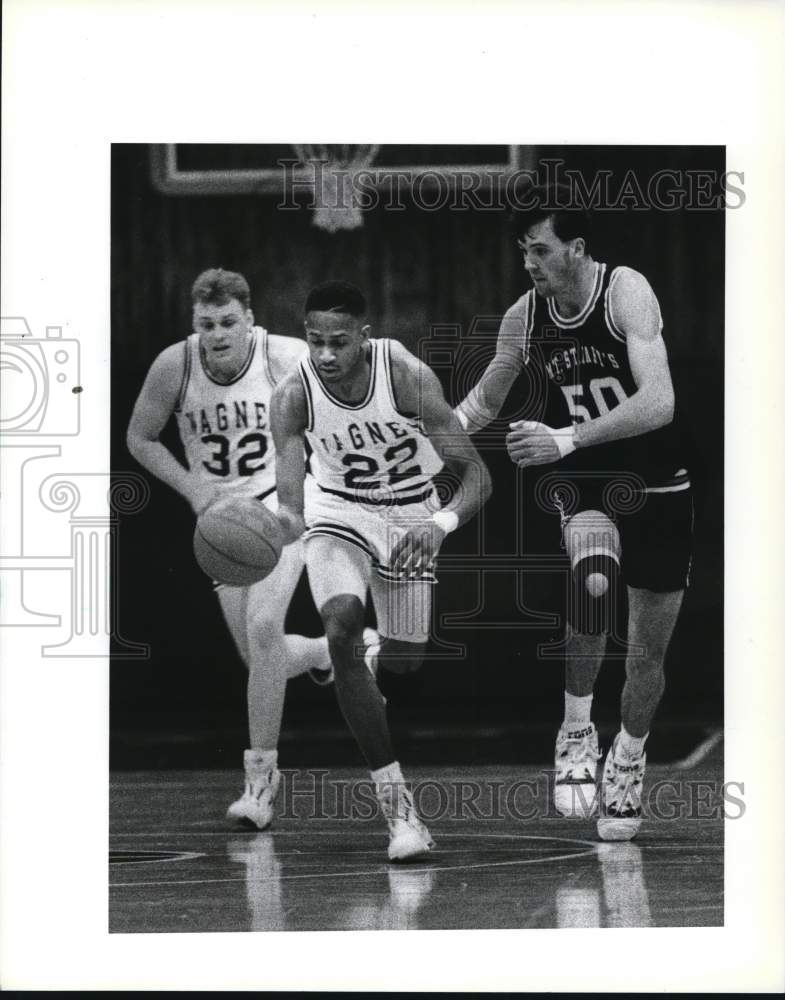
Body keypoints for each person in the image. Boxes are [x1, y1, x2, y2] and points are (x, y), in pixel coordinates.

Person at [455, 185, 693, 841]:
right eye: (522, 251)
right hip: (586, 481)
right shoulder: (524, 315)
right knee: (591, 581)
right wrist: (432, 437)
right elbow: (483, 401)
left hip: (657, 483)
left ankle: (628, 758)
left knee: (647, 652)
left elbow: (660, 401)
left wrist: (564, 436)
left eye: (540, 249)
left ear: (575, 249)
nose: (528, 262)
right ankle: (576, 728)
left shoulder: (624, 292)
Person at [271, 280, 491, 860]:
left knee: (405, 662)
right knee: (341, 625)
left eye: (338, 342)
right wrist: (281, 525)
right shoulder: (294, 393)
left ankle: (369, 654)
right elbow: (293, 504)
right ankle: (400, 813)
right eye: (314, 340)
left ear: (364, 338)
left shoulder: (406, 376)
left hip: (409, 513)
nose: (324, 354)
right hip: (337, 510)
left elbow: (476, 475)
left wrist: (439, 524)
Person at [127, 267, 337, 831]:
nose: (218, 333)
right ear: (195, 325)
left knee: (265, 630)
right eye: (206, 323)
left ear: (249, 320)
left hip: (281, 505)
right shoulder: (176, 364)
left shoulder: (284, 356)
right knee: (259, 661)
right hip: (223, 521)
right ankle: (325, 653)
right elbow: (139, 436)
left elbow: (338, 411)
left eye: (228, 322)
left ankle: (260, 783)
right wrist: (192, 486)